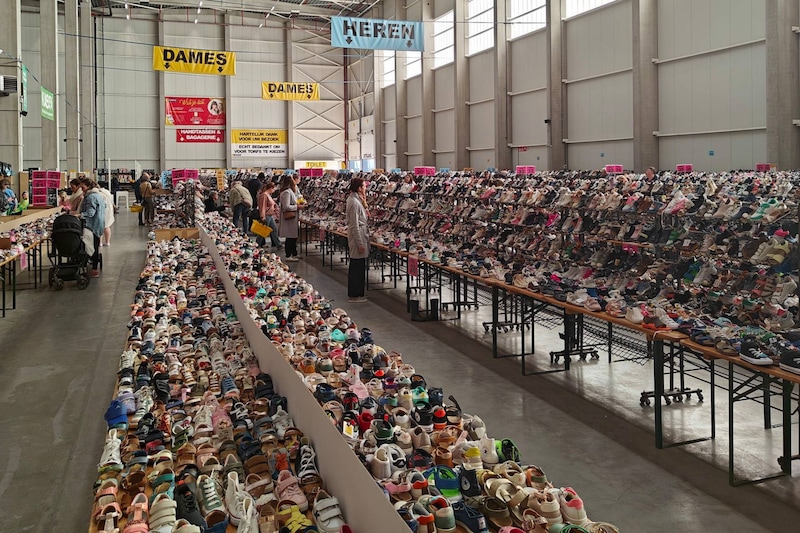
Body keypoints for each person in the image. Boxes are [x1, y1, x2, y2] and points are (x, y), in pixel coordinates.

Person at [346, 177, 370, 302]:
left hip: (360, 233)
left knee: (359, 266)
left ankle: (359, 293)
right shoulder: (353, 202)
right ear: (359, 188)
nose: (365, 188)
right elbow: (354, 224)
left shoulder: (356, 200)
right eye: (364, 186)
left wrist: (364, 202)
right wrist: (360, 243)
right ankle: (354, 295)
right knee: (356, 267)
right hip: (358, 236)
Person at [79, 177, 105, 278]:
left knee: (91, 247)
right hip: (99, 224)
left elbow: (90, 213)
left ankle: (94, 269)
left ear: (88, 186)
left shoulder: (90, 197)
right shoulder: (98, 195)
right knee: (96, 246)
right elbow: (105, 206)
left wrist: (79, 215)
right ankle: (94, 268)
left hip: (91, 225)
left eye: (83, 187)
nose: (82, 190)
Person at [278, 174, 303, 262]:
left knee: (293, 236)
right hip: (289, 217)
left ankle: (294, 253)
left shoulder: (289, 191)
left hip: (292, 217)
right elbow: (286, 206)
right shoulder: (287, 192)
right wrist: (297, 207)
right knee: (290, 237)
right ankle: (288, 255)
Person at [256, 181, 282, 249]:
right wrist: (262, 216)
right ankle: (257, 244)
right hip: (266, 215)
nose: (274, 191)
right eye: (274, 189)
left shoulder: (267, 195)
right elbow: (262, 206)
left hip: (270, 215)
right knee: (262, 231)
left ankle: (278, 244)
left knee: (274, 229)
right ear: (271, 188)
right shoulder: (264, 195)